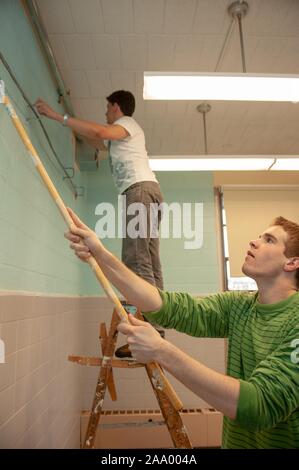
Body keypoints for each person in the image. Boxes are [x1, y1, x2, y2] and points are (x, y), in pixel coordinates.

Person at [64, 209, 299, 449]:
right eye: (260, 236)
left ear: (292, 262)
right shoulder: (241, 306)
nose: (254, 241)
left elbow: (260, 405)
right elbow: (169, 306)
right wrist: (102, 255)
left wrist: (162, 351)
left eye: (269, 240)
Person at [34, 91, 164, 357]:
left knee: (136, 261)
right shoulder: (124, 139)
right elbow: (95, 138)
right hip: (148, 192)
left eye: (107, 108)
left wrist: (57, 116)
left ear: (116, 107)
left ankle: (151, 333)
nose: (106, 113)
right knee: (149, 261)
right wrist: (77, 131)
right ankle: (158, 327)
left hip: (139, 192)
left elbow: (100, 132)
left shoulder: (127, 123)